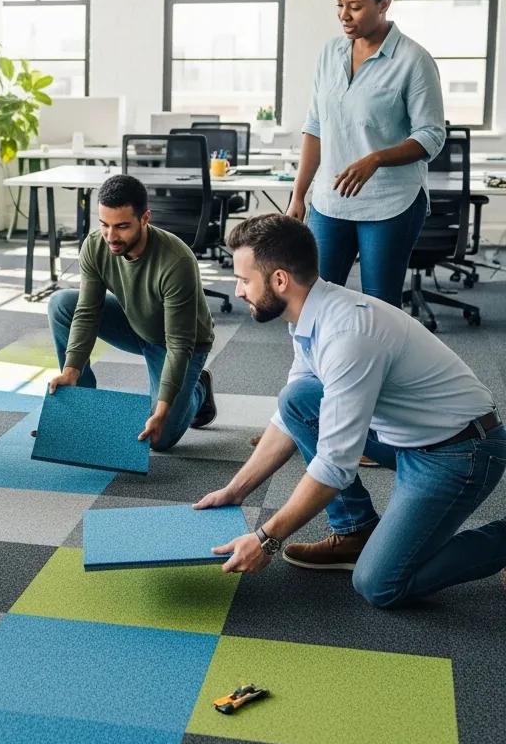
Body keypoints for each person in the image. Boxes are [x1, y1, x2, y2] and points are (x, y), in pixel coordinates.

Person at [195, 214, 505, 608]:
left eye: (244, 280)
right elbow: (290, 418)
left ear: (279, 281)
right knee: (297, 398)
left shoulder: (347, 336)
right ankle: (355, 531)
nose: (238, 291)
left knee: (380, 585)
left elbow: (335, 466)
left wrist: (266, 539)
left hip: (460, 452)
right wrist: (234, 491)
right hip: (405, 435)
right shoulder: (308, 315)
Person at [287, 0, 445, 308]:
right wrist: (299, 194)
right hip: (330, 202)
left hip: (390, 203)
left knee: (380, 308)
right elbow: (315, 127)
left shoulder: (413, 61)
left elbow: (431, 136)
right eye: (340, 4)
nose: (344, 14)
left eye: (355, 7)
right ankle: (319, 365)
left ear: (384, 4)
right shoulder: (330, 53)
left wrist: (376, 159)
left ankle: (381, 365)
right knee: (312, 300)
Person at [46, 173, 217, 451]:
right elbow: (87, 312)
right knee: (61, 304)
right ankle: (84, 404)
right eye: (104, 225)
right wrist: (71, 370)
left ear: (145, 218)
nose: (111, 236)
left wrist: (162, 412)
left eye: (122, 226)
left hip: (179, 343)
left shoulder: (177, 261)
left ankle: (198, 388)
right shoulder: (95, 245)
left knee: (159, 439)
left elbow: (178, 343)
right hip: (135, 323)